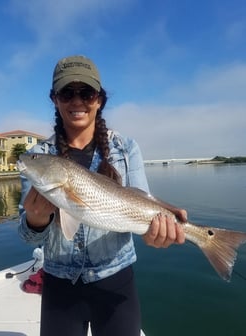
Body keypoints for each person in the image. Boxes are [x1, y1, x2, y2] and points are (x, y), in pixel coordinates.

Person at [18, 55, 187, 336]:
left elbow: (143, 204)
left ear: (99, 99)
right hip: (59, 288)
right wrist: (36, 220)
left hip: (116, 285)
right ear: (54, 99)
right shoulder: (41, 159)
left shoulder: (126, 148)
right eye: (66, 93)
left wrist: (157, 235)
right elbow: (28, 236)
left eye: (86, 92)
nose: (77, 101)